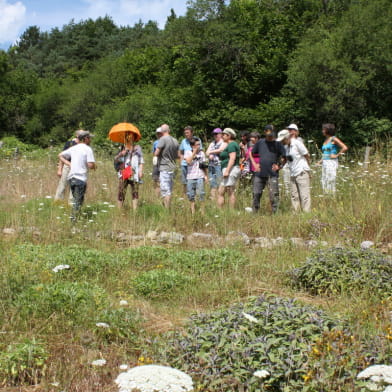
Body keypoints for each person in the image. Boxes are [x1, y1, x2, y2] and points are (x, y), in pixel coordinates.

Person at [59, 130, 96, 221]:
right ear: (85, 139)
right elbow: (90, 165)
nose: (90, 139)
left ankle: (75, 218)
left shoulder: (74, 148)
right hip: (80, 178)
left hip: (71, 178)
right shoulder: (87, 149)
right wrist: (95, 165)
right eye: (89, 138)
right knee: (78, 201)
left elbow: (60, 155)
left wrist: (69, 163)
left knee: (76, 199)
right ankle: (73, 221)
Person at [250, 125, 287, 213]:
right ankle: (255, 212)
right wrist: (255, 164)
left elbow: (285, 157)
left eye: (272, 133)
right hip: (259, 173)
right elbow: (251, 153)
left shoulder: (278, 143)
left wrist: (280, 166)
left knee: (274, 195)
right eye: (269, 133)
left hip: (272, 174)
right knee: (256, 193)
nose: (270, 135)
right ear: (265, 132)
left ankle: (275, 213)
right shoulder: (260, 142)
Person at [277, 129, 311, 212]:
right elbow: (285, 159)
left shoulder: (297, 143)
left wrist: (308, 170)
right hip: (292, 173)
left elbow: (307, 155)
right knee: (294, 195)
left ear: (287, 137)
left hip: (301, 171)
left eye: (282, 140)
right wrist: (279, 167)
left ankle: (306, 213)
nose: (281, 142)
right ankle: (295, 213)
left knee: (304, 194)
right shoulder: (285, 147)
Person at [154, 124, 179, 208]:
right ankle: (168, 207)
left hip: (164, 167)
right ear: (169, 130)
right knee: (170, 190)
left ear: (162, 131)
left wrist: (157, 154)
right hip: (173, 167)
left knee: (165, 191)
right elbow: (177, 155)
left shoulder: (162, 139)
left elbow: (156, 153)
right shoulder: (175, 140)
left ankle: (166, 209)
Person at [318, 123, 348, 194]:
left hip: (331, 162)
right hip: (325, 162)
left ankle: (331, 196)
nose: (322, 131)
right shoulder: (326, 140)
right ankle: (325, 195)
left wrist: (337, 155)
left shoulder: (333, 138)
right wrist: (320, 161)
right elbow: (325, 153)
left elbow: (345, 147)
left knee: (330, 179)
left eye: (323, 129)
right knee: (324, 180)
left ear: (327, 130)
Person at [54, 130, 82, 203]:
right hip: (67, 166)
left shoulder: (84, 145)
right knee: (62, 185)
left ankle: (71, 204)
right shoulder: (69, 143)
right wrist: (60, 169)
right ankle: (57, 202)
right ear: (76, 135)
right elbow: (62, 156)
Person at [114, 142, 144, 210]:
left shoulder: (138, 148)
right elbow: (115, 158)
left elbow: (141, 161)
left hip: (134, 173)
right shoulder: (122, 148)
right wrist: (122, 153)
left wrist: (141, 171)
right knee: (121, 191)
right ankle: (119, 210)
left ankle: (135, 211)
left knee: (135, 191)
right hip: (124, 172)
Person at [217, 128, 241, 208]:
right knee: (221, 191)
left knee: (230, 191)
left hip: (231, 170)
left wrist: (227, 171)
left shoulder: (232, 144)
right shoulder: (230, 144)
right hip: (229, 169)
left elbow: (232, 158)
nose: (222, 136)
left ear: (229, 136)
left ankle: (231, 211)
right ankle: (220, 210)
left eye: (224, 135)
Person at [185, 138, 208, 214]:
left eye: (199, 144)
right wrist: (194, 152)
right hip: (190, 177)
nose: (199, 146)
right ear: (192, 146)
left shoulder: (202, 153)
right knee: (191, 195)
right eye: (197, 144)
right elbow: (188, 161)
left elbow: (204, 165)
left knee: (201, 194)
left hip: (200, 176)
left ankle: (202, 212)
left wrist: (206, 175)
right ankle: (193, 212)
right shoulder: (188, 152)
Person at [179, 126, 202, 195]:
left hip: (194, 164)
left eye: (188, 133)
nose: (186, 134)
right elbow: (181, 152)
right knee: (184, 181)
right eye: (185, 133)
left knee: (194, 180)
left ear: (192, 133)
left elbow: (200, 151)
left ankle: (194, 194)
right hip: (184, 164)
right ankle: (185, 194)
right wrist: (181, 161)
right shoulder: (183, 141)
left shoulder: (197, 140)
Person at [206, 128, 227, 200]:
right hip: (211, 165)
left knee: (219, 182)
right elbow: (206, 152)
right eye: (213, 134)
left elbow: (220, 150)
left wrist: (211, 152)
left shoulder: (224, 142)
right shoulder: (212, 143)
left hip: (219, 165)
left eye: (216, 134)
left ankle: (219, 198)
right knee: (212, 183)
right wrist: (210, 153)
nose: (215, 136)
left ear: (221, 134)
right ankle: (212, 198)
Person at [152, 127, 163, 197]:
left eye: (160, 133)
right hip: (156, 162)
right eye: (158, 133)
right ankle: (157, 195)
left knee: (163, 180)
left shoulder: (166, 141)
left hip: (163, 162)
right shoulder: (155, 142)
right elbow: (154, 152)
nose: (159, 135)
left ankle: (163, 194)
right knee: (156, 179)